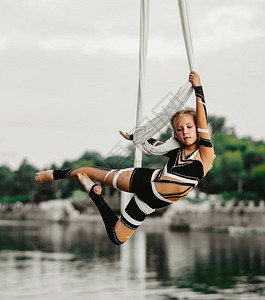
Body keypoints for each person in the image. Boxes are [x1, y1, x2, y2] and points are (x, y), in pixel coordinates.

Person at [34, 71, 215, 246]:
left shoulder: (205, 155)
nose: (185, 132)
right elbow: (154, 143)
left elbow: (202, 120)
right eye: (180, 129)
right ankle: (55, 174)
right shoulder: (175, 151)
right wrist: (133, 137)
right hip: (144, 181)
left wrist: (198, 88)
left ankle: (94, 194)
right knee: (93, 171)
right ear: (175, 133)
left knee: (117, 237)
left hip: (150, 202)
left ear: (197, 128)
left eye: (189, 127)